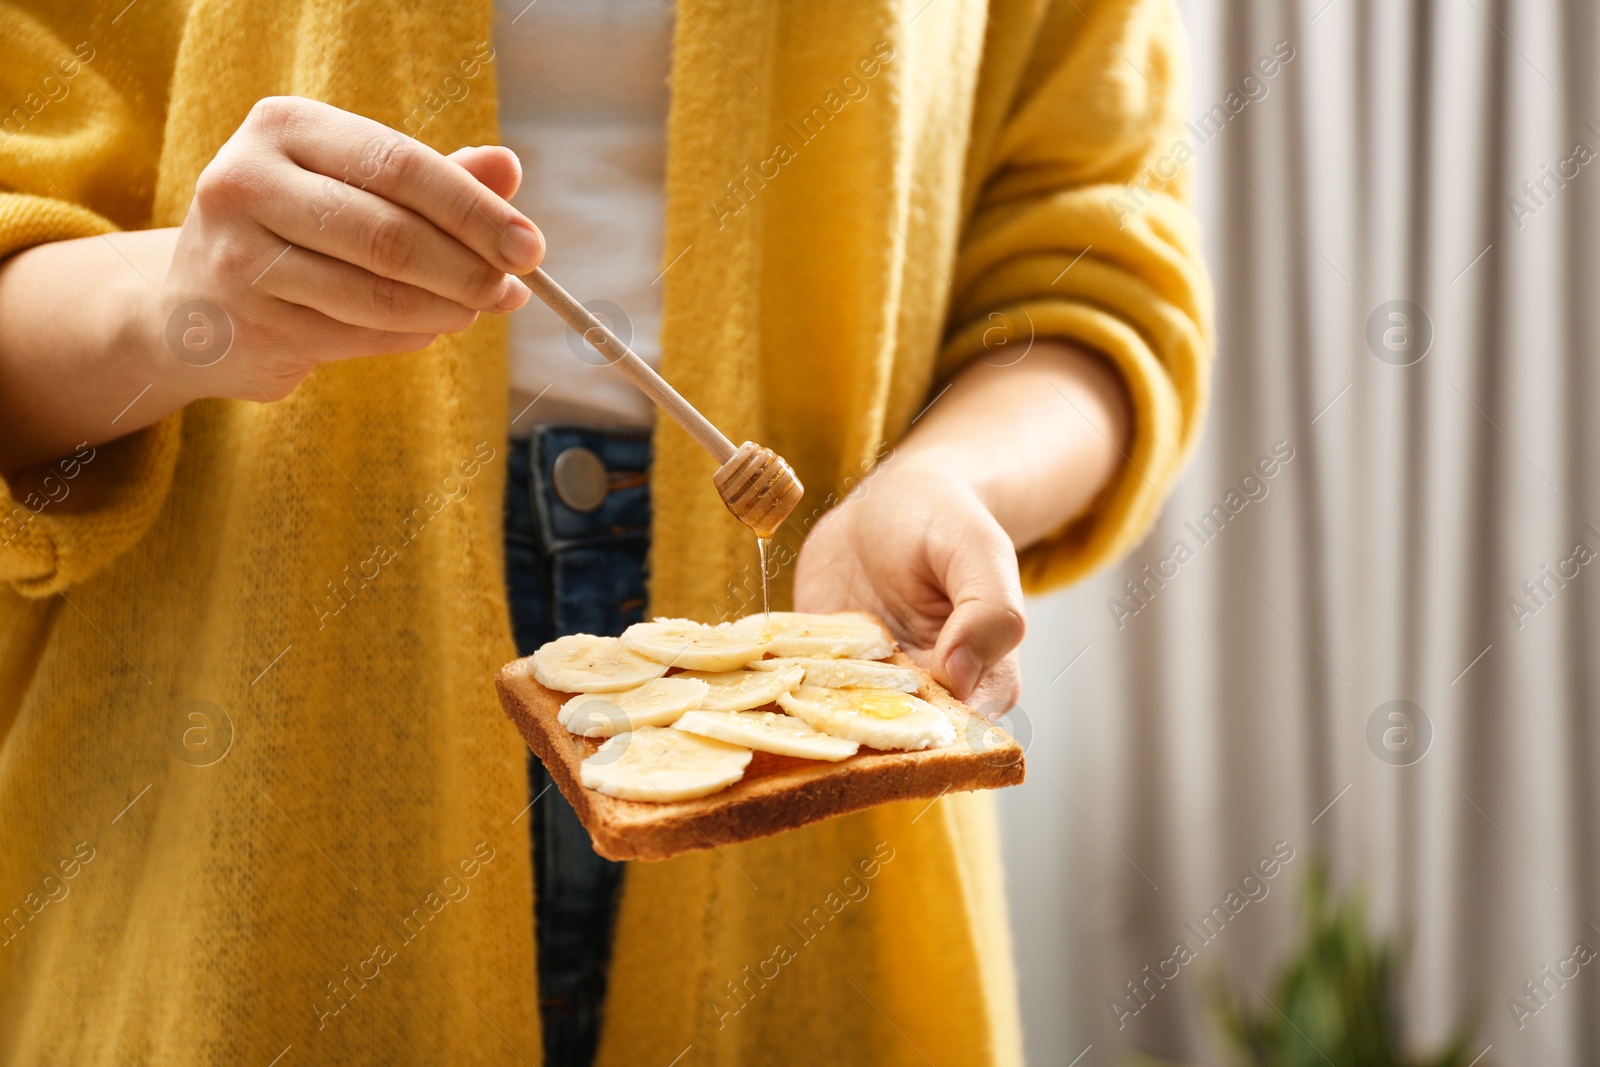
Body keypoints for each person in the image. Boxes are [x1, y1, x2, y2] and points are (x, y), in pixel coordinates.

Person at [0, 0, 1209, 1063]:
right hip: (230, 730)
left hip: (818, 713)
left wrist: (949, 475)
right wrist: (170, 307)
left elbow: (1099, 272)